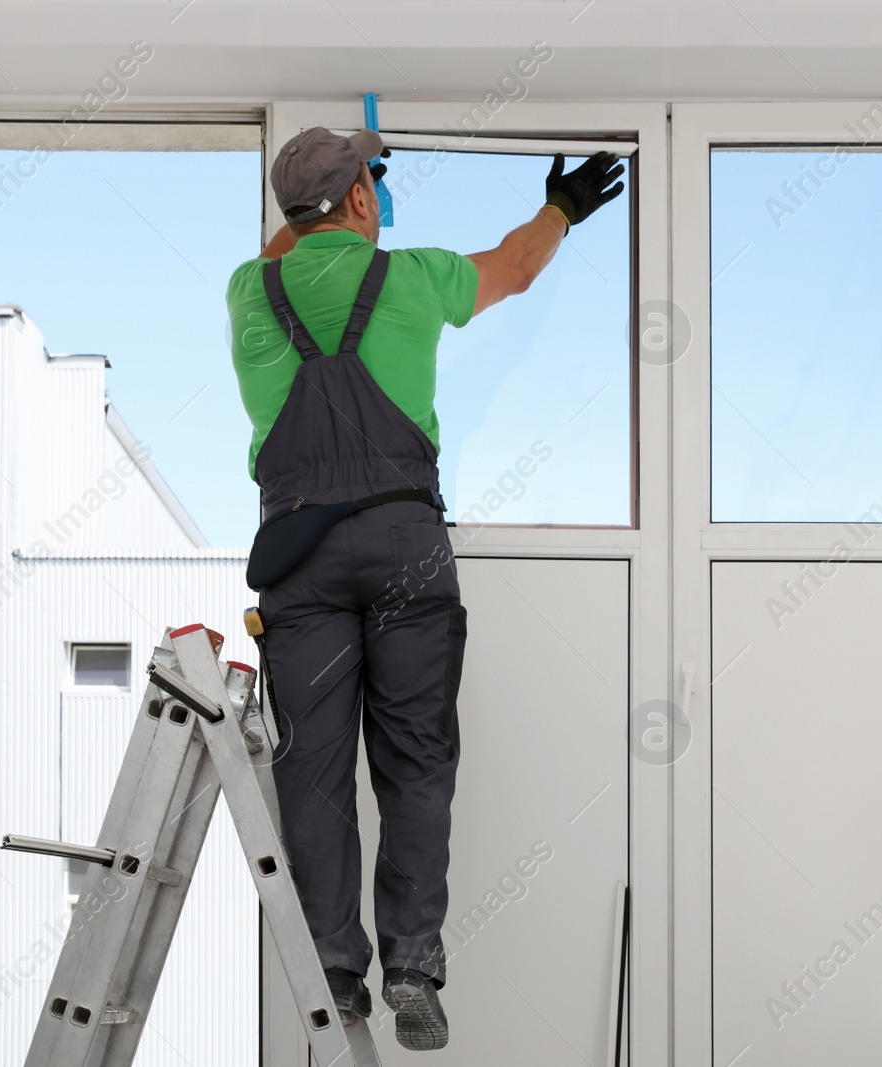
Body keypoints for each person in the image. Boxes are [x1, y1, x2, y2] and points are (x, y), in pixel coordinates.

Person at [225, 125, 624, 1051]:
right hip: (405, 542)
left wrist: (329, 206)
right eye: (365, 183)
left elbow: (285, 246)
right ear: (364, 201)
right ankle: (410, 965)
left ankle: (334, 967)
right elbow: (517, 268)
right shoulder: (414, 277)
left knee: (313, 771)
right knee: (415, 762)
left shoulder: (251, 290)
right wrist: (561, 208)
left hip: (296, 555)